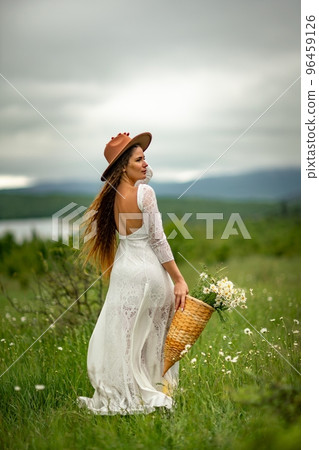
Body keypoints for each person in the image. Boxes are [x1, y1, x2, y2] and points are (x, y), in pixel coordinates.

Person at [77, 131, 189, 415]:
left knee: (127, 339)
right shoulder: (145, 194)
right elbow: (158, 240)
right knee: (154, 337)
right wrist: (178, 278)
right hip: (148, 273)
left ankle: (130, 391)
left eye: (144, 158)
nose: (145, 163)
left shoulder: (110, 198)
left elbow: (145, 175)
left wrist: (135, 161)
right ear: (123, 167)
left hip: (125, 273)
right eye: (139, 159)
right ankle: (155, 387)